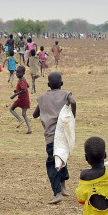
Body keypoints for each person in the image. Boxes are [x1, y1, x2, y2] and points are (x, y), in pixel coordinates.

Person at [33, 71, 76, 204]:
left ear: (48, 84)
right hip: (63, 135)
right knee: (62, 157)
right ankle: (63, 186)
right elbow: (73, 102)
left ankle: (57, 193)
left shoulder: (42, 97)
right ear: (61, 83)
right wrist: (73, 117)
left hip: (51, 136)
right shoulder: (66, 94)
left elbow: (35, 114)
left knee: (52, 163)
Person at [10, 66, 32, 134]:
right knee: (24, 114)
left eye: (19, 73)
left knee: (11, 109)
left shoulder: (20, 80)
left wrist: (15, 95)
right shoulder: (24, 79)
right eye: (16, 72)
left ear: (23, 73)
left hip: (21, 99)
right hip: (26, 98)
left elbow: (24, 90)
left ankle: (20, 120)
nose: (17, 74)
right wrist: (17, 90)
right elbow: (27, 86)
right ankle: (29, 128)